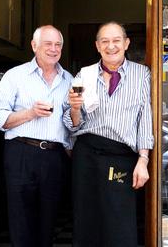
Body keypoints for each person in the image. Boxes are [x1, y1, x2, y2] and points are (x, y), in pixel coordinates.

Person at [64, 22, 154, 247]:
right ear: (97, 46)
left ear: (126, 43)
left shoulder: (142, 74)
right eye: (105, 41)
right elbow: (73, 125)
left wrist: (143, 159)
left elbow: (145, 118)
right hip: (87, 154)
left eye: (116, 41)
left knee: (119, 219)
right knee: (86, 218)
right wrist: (74, 108)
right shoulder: (84, 75)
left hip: (121, 156)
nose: (111, 46)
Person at [0, 25, 72, 247]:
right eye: (48, 44)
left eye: (58, 45)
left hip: (54, 157)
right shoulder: (14, 76)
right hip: (21, 154)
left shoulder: (70, 80)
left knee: (49, 222)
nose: (54, 49)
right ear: (34, 46)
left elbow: (71, 124)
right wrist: (30, 113)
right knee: (21, 220)